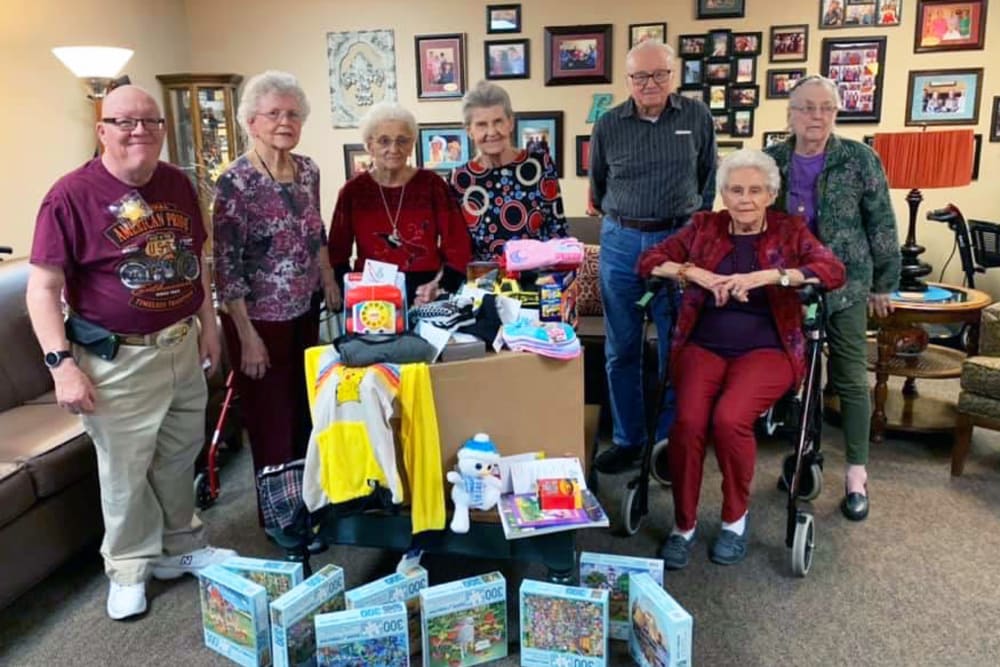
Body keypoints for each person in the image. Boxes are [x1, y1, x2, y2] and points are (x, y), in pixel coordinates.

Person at [26, 85, 236, 620]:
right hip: (118, 358)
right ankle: (127, 566)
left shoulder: (177, 184)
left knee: (176, 456)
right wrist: (61, 365)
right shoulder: (69, 196)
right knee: (124, 469)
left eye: (150, 121)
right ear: (103, 130)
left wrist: (209, 324)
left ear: (163, 130)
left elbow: (199, 260)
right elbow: (43, 290)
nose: (139, 130)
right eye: (125, 121)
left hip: (182, 345)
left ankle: (180, 547)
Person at [637, 149, 845, 567]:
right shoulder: (704, 226)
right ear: (723, 195)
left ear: (770, 194)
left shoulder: (790, 230)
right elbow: (649, 261)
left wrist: (772, 276)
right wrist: (693, 272)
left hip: (768, 349)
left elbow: (832, 269)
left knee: (730, 418)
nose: (745, 199)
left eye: (755, 190)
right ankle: (684, 525)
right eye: (735, 190)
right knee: (688, 421)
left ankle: (734, 519)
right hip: (703, 345)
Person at [765, 75, 900, 522]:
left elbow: (881, 223)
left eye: (825, 107)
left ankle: (857, 475)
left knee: (849, 378)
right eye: (806, 107)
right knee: (794, 373)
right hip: (790, 284)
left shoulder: (859, 159)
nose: (816, 116)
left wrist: (885, 283)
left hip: (846, 287)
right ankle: (802, 454)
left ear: (836, 113)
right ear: (790, 113)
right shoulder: (771, 161)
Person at [588, 39, 716, 474]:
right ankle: (627, 439)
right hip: (622, 242)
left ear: (674, 75)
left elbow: (708, 181)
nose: (650, 83)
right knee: (620, 349)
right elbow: (599, 189)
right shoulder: (607, 125)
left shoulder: (697, 117)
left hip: (677, 242)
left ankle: (667, 444)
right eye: (640, 76)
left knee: (675, 348)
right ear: (627, 81)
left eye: (660, 74)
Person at [213, 71, 340, 502]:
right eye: (272, 114)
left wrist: (328, 278)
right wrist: (246, 337)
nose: (284, 122)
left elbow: (315, 230)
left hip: (305, 310)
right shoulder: (235, 182)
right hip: (259, 320)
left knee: (307, 407)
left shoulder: (308, 171)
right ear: (251, 122)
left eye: (292, 114)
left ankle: (311, 499)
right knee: (271, 419)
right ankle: (280, 514)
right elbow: (226, 268)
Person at [329, 102, 471, 304]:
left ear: (411, 144)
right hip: (371, 292)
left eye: (402, 140)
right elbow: (337, 252)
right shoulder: (353, 192)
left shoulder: (432, 185)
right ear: (370, 145)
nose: (393, 149)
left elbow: (457, 243)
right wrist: (347, 291)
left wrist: (441, 284)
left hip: (426, 291)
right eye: (384, 141)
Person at [450, 81, 567, 261]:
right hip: (483, 281)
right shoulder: (459, 179)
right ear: (469, 131)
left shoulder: (540, 164)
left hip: (539, 277)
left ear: (510, 123)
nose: (492, 131)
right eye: (481, 124)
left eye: (498, 121)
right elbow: (458, 244)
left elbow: (558, 230)